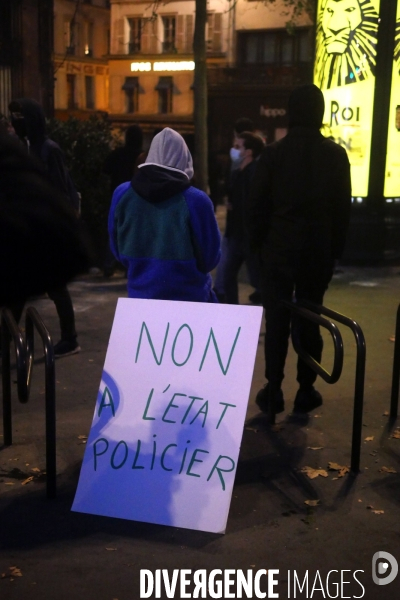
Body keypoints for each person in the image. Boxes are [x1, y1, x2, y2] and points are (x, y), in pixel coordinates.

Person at [247, 84, 352, 415]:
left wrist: (260, 250)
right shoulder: (335, 155)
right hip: (316, 255)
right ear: (320, 113)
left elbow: (257, 208)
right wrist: (333, 252)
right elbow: (342, 211)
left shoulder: (273, 155)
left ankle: (274, 388)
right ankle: (306, 389)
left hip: (278, 253)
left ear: (291, 112)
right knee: (310, 318)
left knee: (277, 319)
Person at [108, 127, 221, 302]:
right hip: (190, 300)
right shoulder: (196, 200)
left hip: (140, 297)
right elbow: (210, 258)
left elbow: (116, 247)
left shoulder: (122, 194)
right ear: (185, 158)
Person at [8, 98, 83, 357]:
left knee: (56, 287)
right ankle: (6, 340)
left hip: (45, 229)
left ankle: (70, 339)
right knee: (19, 287)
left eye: (20, 118)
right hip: (29, 229)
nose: (16, 124)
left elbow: (61, 189)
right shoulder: (24, 147)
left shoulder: (49, 149)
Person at [0, 131, 90, 308]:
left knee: (56, 290)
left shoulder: (47, 149)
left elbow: (59, 183)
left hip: (40, 229)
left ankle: (68, 333)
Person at [223, 131, 265, 304]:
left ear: (248, 152)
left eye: (238, 146)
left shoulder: (254, 173)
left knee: (257, 278)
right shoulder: (238, 172)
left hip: (247, 234)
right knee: (228, 274)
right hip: (238, 233)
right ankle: (234, 312)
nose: (234, 150)